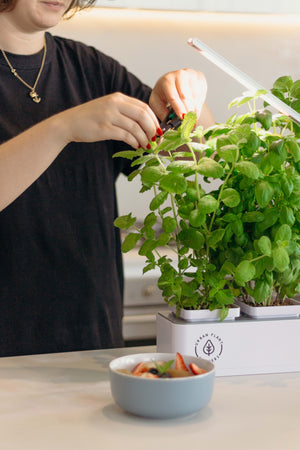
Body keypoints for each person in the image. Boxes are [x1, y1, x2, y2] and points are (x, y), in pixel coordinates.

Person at [0, 0, 214, 357]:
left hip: (93, 344)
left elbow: (195, 156)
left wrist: (190, 100)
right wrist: (63, 128)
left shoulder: (92, 70)